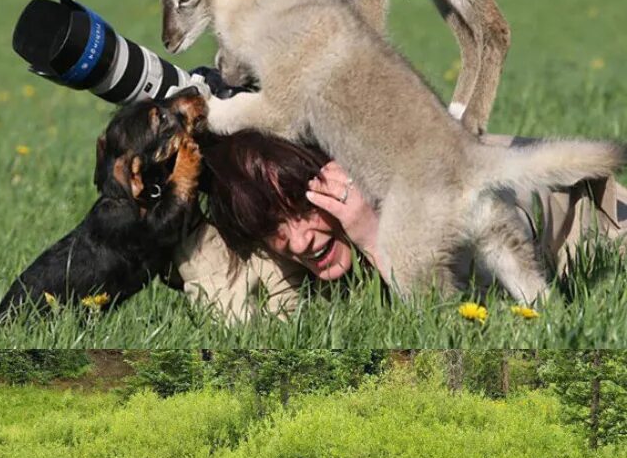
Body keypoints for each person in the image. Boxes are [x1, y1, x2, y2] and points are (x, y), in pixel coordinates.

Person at [171, 127, 627, 319]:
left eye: (304, 206)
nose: (300, 240)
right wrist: (175, 196)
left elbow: (457, 316)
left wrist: (375, 235)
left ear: (334, 171)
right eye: (274, 229)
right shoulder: (300, 245)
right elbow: (238, 313)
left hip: (594, 218)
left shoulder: (426, 192)